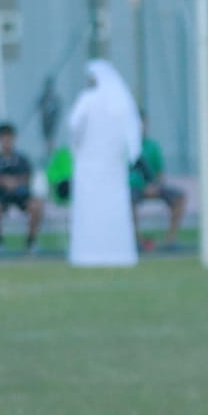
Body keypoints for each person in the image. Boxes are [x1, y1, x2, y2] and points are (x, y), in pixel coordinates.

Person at [66, 60, 141, 268]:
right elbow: (133, 139)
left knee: (90, 213)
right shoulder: (121, 102)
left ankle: (87, 254)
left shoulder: (88, 100)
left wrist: (78, 146)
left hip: (89, 167)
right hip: (114, 169)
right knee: (113, 211)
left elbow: (74, 125)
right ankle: (118, 253)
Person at [0, 123, 44, 255]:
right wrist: (3, 181)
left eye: (9, 138)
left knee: (36, 206)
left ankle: (30, 242)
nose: (7, 142)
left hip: (20, 194)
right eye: (4, 138)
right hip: (0, 195)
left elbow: (27, 176)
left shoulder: (21, 159)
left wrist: (15, 182)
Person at [128, 112, 185, 250]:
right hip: (133, 189)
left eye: (143, 124)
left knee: (180, 197)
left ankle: (170, 241)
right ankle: (137, 241)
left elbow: (160, 174)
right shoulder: (127, 147)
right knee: (128, 199)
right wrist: (142, 187)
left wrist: (155, 186)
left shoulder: (152, 147)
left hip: (153, 187)